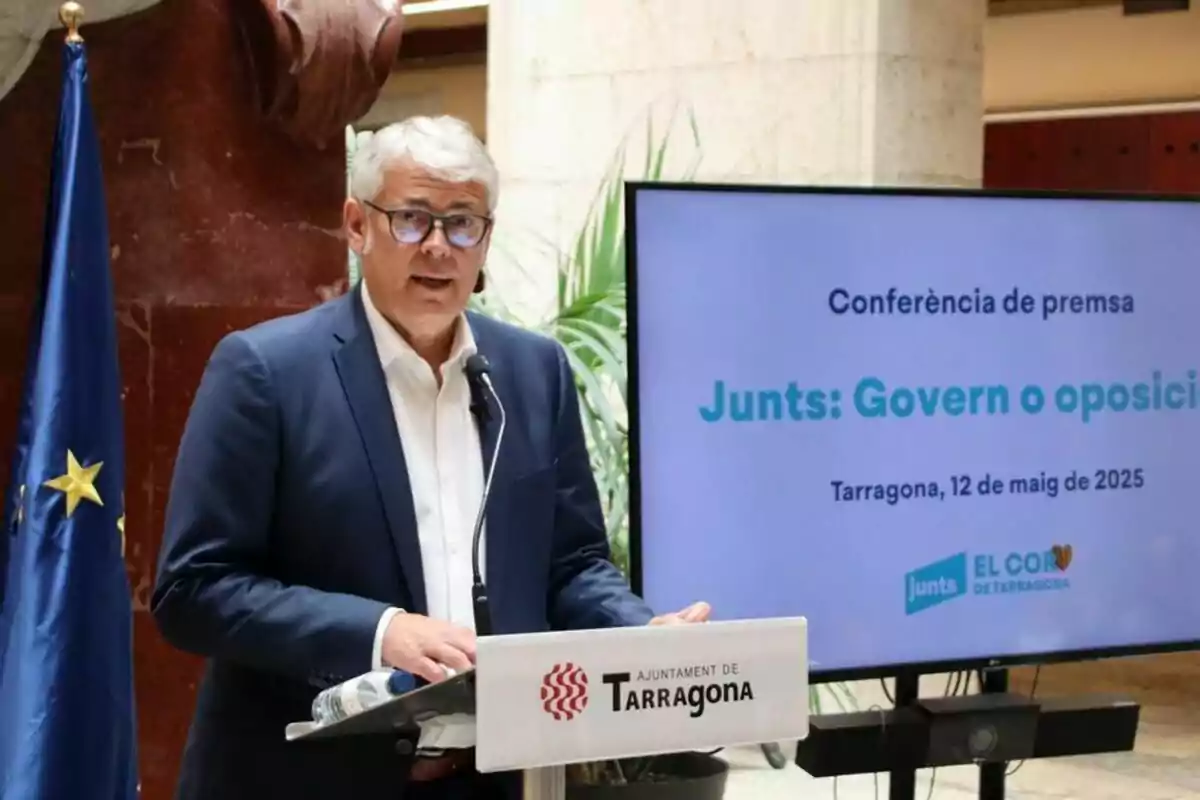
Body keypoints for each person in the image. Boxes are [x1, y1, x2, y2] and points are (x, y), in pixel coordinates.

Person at [150, 115, 710, 800]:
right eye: (412, 219)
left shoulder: (533, 373)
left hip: (494, 777)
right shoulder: (266, 373)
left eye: (463, 223)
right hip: (312, 780)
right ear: (357, 226)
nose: (439, 247)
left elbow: (570, 563)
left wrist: (639, 633)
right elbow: (193, 588)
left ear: (486, 239)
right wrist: (380, 631)